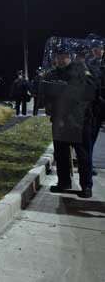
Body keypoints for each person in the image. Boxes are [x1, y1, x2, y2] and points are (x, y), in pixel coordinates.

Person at [42, 42, 95, 198]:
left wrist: (66, 88)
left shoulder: (81, 70)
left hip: (79, 120)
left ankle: (86, 186)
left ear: (70, 57)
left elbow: (90, 91)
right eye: (58, 56)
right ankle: (64, 182)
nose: (61, 59)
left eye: (64, 56)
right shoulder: (52, 74)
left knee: (83, 155)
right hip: (60, 120)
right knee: (61, 154)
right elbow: (45, 92)